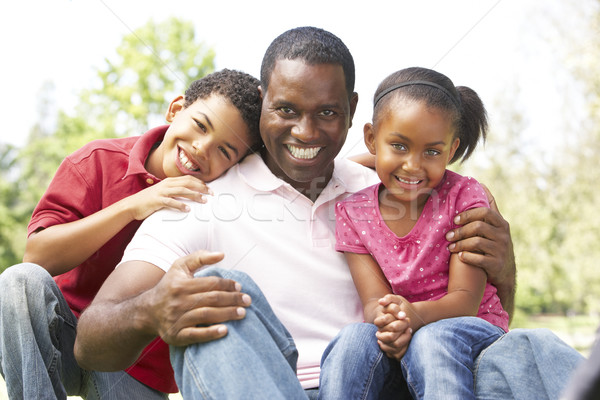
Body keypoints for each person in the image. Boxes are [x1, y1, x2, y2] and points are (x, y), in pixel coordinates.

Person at [74, 26, 582, 400]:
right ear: (263, 102)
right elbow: (91, 343)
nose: (306, 131)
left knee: (527, 352)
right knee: (223, 293)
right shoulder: (194, 202)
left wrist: (505, 269)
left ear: (353, 112)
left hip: (384, 384)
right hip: (270, 386)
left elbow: (478, 316)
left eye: (327, 113)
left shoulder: (389, 187)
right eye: (287, 110)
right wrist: (152, 308)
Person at [0, 69, 262, 399]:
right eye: (200, 125)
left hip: (134, 369)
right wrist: (132, 206)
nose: (201, 148)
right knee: (20, 281)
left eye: (225, 151)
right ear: (176, 110)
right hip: (61, 336)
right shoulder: (97, 161)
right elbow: (37, 256)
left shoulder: (214, 206)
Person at [335, 67, 509, 399]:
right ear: (371, 139)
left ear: (451, 150)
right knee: (352, 340)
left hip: (470, 328)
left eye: (431, 152)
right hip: (404, 329)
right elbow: (373, 300)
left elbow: (465, 299)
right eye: (399, 146)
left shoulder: (464, 198)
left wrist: (414, 316)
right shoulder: (353, 212)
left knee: (433, 340)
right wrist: (389, 320)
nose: (413, 165)